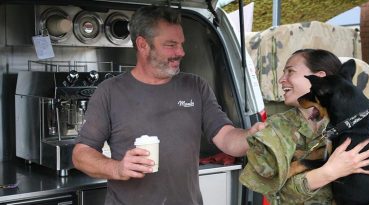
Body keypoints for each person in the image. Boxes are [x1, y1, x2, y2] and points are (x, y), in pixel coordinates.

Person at [72, 5, 264, 205]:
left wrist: (251, 137)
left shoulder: (195, 87)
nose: (181, 52)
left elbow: (226, 136)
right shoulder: (110, 91)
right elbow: (81, 154)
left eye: (181, 44)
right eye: (171, 45)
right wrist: (117, 168)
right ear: (143, 45)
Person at [240, 48, 369, 204]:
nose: (281, 79)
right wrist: (328, 172)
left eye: (290, 71)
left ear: (320, 78)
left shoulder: (367, 128)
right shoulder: (273, 130)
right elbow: (275, 196)